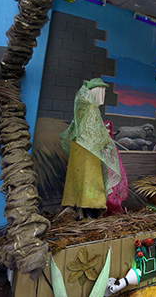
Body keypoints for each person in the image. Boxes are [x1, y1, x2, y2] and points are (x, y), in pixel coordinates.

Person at [60, 78, 121, 219]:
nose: (104, 94)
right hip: (89, 151)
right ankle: (89, 211)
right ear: (97, 92)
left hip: (79, 148)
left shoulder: (82, 106)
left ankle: (78, 210)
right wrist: (105, 136)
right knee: (91, 179)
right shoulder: (92, 108)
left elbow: (81, 128)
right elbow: (95, 134)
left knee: (79, 178)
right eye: (103, 91)